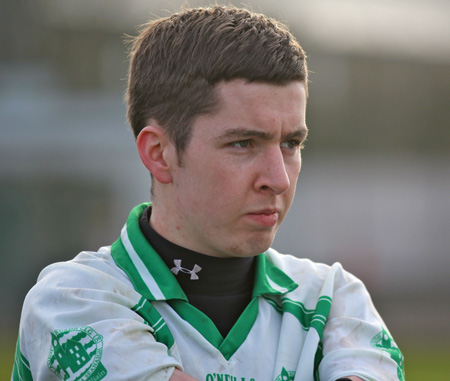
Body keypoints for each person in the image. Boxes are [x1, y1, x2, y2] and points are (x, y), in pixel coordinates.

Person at [12, 5, 405, 381]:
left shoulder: (334, 298)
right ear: (159, 154)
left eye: (291, 144)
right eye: (243, 143)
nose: (278, 179)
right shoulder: (72, 300)